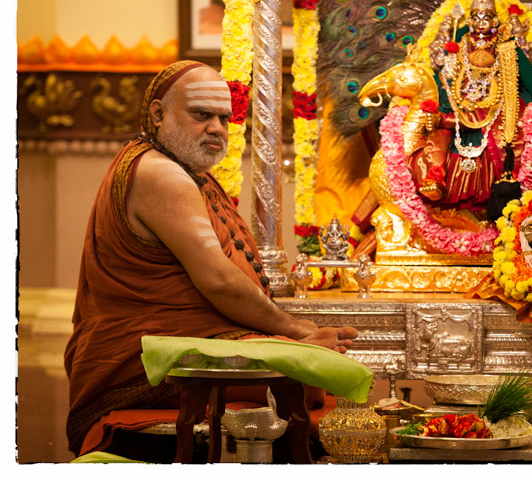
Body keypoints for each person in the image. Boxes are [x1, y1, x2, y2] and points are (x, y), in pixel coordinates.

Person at [64, 60, 358, 457]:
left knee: (316, 377)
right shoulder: (161, 176)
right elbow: (219, 281)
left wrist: (285, 338)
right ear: (158, 114)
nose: (217, 128)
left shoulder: (179, 170)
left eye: (224, 118)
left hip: (188, 340)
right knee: (310, 382)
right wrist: (293, 332)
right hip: (143, 361)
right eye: (202, 115)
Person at [418, 0, 532, 220]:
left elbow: (531, 85)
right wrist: (441, 107)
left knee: (507, 135)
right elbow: (446, 80)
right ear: (470, 19)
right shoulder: (460, 43)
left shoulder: (506, 46)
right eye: (476, 16)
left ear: (495, 21)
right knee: (438, 130)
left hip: (496, 108)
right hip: (460, 106)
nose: (481, 21)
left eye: (486, 16)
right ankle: (436, 179)